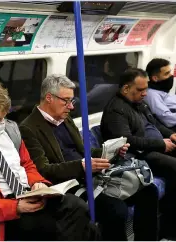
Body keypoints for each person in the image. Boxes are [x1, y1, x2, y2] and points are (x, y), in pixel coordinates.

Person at [0, 79, 100, 241]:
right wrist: (16, 207)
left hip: (29, 193)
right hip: (3, 211)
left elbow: (27, 164)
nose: (1, 124)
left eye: (4, 118)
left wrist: (37, 182)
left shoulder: (10, 131)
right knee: (80, 230)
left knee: (77, 206)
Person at [19, 74, 159, 241]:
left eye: (72, 101)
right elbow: (44, 169)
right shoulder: (28, 128)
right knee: (116, 210)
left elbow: (83, 150)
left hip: (90, 174)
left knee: (149, 191)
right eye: (66, 100)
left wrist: (109, 152)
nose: (71, 106)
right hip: (69, 184)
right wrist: (83, 166)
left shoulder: (65, 119)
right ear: (49, 98)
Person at [101, 68, 176, 240]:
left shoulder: (139, 104)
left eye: (146, 89)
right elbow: (127, 140)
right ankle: (168, 229)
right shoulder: (116, 111)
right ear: (126, 89)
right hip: (139, 154)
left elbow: (154, 123)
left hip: (156, 145)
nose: (145, 93)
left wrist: (169, 134)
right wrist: (160, 144)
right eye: (140, 90)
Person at [144, 58, 176, 131]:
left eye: (170, 72)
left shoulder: (162, 90)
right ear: (155, 78)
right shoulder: (152, 95)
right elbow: (167, 118)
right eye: (166, 73)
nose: (171, 76)